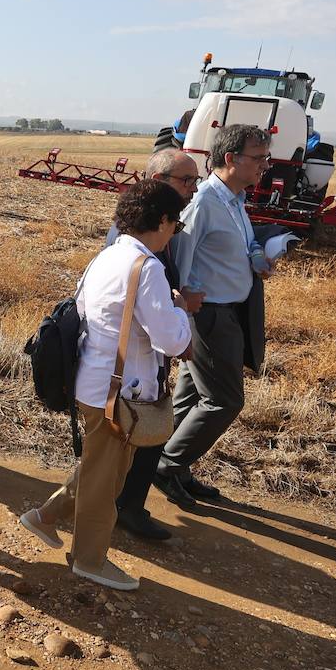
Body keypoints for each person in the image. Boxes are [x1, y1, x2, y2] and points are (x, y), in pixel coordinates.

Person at [18, 180, 191, 591]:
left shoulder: (108, 256)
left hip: (96, 383)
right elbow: (173, 340)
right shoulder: (147, 268)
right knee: (103, 481)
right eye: (176, 225)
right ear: (163, 221)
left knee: (103, 472)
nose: (174, 233)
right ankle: (89, 561)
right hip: (121, 393)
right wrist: (182, 310)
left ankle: (44, 517)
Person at [153, 124, 275, 509]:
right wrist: (182, 316)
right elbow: (181, 263)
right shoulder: (204, 202)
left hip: (230, 312)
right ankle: (167, 465)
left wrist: (258, 256)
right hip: (207, 316)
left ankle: (172, 465)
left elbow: (241, 243)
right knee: (224, 401)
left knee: (189, 399)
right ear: (230, 159)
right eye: (258, 158)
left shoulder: (235, 200)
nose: (265, 166)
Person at [110, 149, 204, 540]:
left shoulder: (147, 231)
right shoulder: (134, 240)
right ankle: (121, 510)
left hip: (140, 356)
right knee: (135, 436)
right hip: (135, 359)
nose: (192, 189)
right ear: (157, 180)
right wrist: (179, 309)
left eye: (195, 181)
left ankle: (123, 505)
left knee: (136, 437)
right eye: (185, 181)